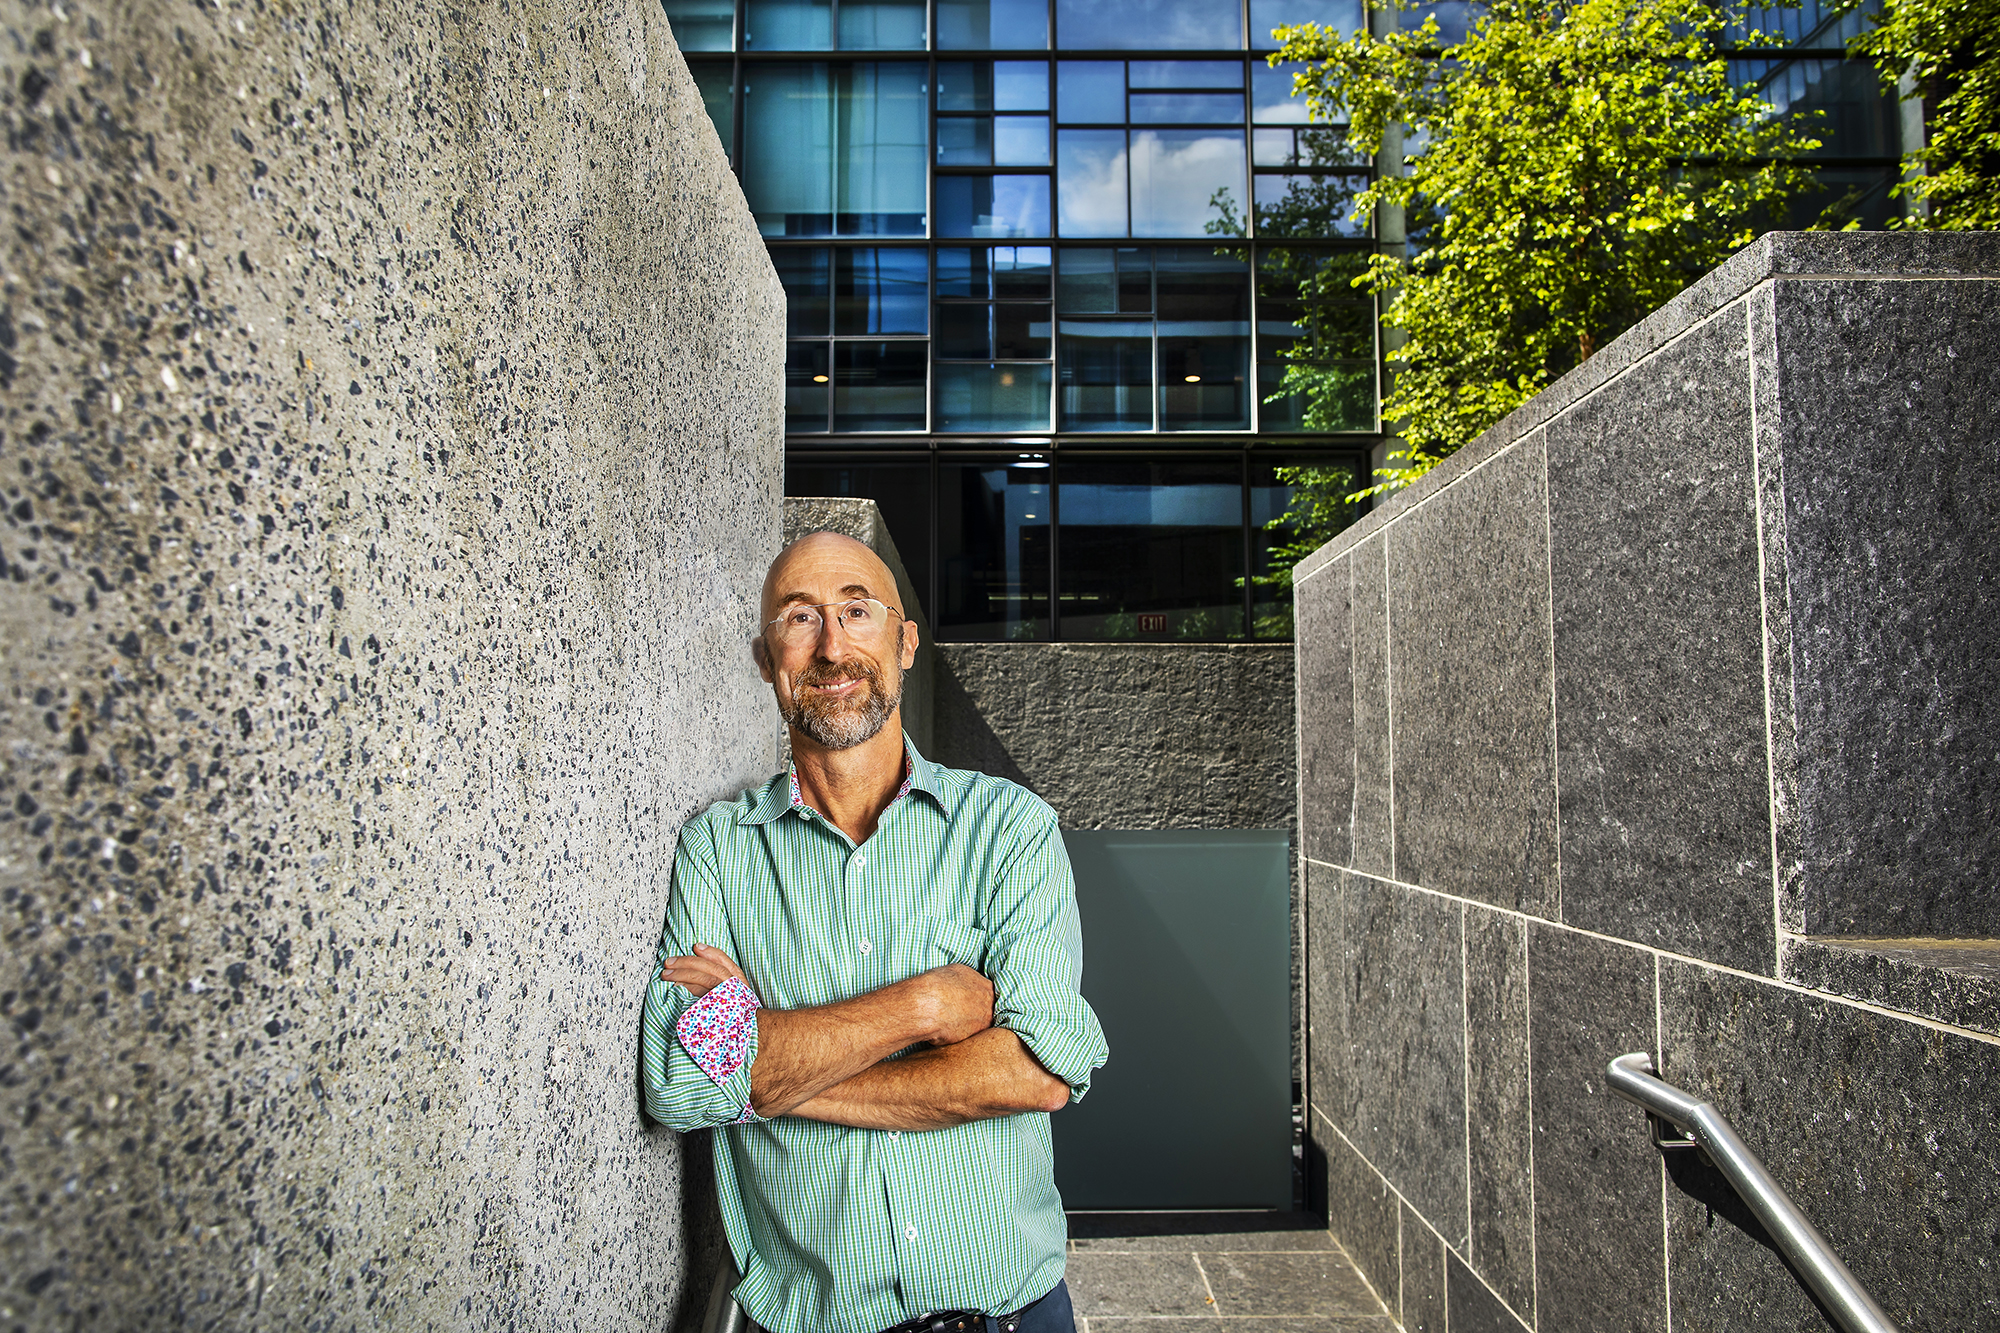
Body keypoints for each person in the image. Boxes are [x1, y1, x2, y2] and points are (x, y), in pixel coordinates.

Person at [640, 531, 1108, 1333]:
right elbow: (683, 1082)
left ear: (905, 641)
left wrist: (763, 1078)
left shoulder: (1008, 829)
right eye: (800, 618)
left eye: (858, 611)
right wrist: (926, 1004)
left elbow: (1036, 1071)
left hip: (1014, 1318)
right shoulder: (717, 848)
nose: (832, 646)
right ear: (765, 659)